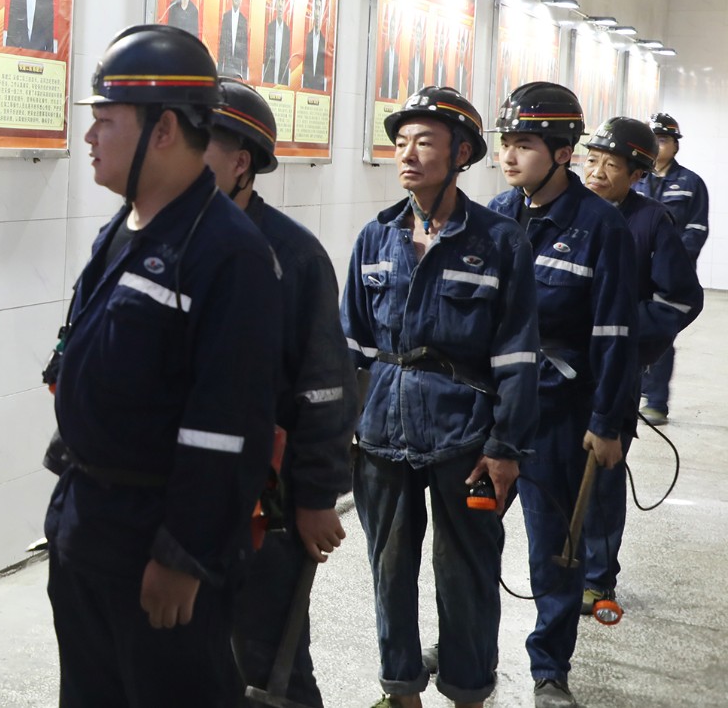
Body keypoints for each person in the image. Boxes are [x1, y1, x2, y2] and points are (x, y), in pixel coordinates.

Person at [43, 25, 283, 707]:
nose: (90, 136)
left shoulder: (227, 253)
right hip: (89, 523)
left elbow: (226, 427)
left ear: (165, 129)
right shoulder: (124, 228)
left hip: (155, 538)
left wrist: (184, 554)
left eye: (106, 120)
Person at [342, 86, 539, 708]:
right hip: (383, 433)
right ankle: (400, 689)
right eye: (401, 142)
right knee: (389, 570)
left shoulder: (500, 241)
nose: (407, 154)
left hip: (465, 438)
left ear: (461, 154)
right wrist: (340, 432)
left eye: (424, 142)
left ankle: (468, 690)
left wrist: (505, 447)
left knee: (467, 574)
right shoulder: (376, 238)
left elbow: (518, 355)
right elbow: (351, 346)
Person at [207, 79, 355, 708]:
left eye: (199, 145)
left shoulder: (292, 257)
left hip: (266, 504)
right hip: (186, 495)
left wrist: (317, 497)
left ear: (241, 162)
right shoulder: (164, 241)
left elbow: (324, 390)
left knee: (270, 666)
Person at [488, 81, 636, 708]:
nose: (509, 155)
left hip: (558, 413)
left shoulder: (601, 227)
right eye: (507, 142)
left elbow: (615, 334)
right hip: (494, 411)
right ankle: (467, 644)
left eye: (524, 144)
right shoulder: (495, 213)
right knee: (471, 536)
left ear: (563, 152)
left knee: (555, 550)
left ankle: (550, 669)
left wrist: (608, 421)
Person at [579, 116, 702, 616]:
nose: (597, 172)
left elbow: (680, 300)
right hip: (557, 372)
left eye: (612, 165)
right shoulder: (566, 213)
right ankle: (555, 569)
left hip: (614, 370)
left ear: (637, 176)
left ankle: (596, 579)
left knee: (602, 475)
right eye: (592, 160)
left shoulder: (651, 221)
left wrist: (624, 336)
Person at [635, 112, 710, 424]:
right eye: (653, 140)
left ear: (675, 145)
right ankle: (636, 389)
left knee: (662, 333)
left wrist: (671, 258)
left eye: (663, 140)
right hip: (637, 271)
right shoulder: (636, 177)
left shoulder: (691, 183)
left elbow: (697, 228)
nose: (658, 145)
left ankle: (656, 402)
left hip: (670, 275)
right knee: (633, 329)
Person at [218, 0, 250, 79]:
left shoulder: (244, 21)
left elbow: (245, 55)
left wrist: (245, 77)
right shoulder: (225, 18)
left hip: (238, 75)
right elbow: (221, 50)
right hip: (225, 73)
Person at [261, 0, 292, 86]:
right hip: (268, 85)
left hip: (282, 88)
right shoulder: (269, 28)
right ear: (275, 2)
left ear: (285, 3)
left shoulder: (288, 32)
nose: (280, 4)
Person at [302, 0, 329, 92]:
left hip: (319, 91)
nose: (317, 13)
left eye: (319, 9)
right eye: (316, 9)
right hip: (305, 89)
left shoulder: (324, 42)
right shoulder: (307, 38)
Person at [378, 2, 402, 100]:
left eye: (394, 29)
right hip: (383, 97)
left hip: (394, 98)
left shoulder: (398, 57)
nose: (392, 32)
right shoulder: (384, 55)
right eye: (391, 29)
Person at [404, 14, 426, 97]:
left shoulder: (423, 65)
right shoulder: (409, 62)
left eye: (420, 35)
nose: (418, 39)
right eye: (417, 34)